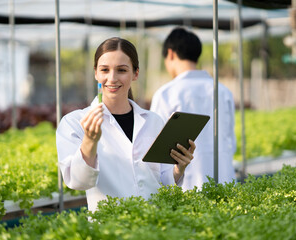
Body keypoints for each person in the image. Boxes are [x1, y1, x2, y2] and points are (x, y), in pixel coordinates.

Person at [56, 37, 195, 212]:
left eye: (121, 70)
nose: (112, 78)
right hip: (109, 229)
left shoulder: (153, 121)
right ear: (96, 73)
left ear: (135, 73)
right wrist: (89, 142)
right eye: (104, 70)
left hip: (154, 224)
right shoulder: (74, 123)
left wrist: (178, 169)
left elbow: (162, 181)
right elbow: (78, 182)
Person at [150, 27, 236, 191]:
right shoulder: (223, 91)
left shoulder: (166, 94)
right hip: (226, 184)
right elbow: (231, 142)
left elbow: (157, 152)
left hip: (187, 188)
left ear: (170, 54)